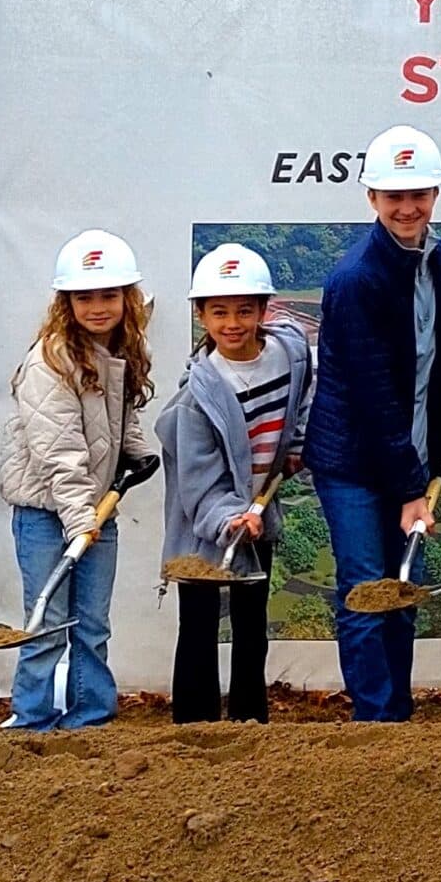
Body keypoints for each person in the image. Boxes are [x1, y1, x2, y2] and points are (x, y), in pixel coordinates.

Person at [308, 125, 441, 723]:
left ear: (435, 194)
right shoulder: (355, 279)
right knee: (368, 591)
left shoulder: (439, 258)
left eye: (418, 194)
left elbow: (433, 357)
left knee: (404, 591)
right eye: (393, 196)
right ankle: (376, 723)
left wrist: (435, 443)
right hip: (353, 461)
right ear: (371, 198)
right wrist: (407, 490)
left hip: (408, 453)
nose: (407, 208)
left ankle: (397, 709)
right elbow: (373, 396)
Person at [0, 231, 157, 729]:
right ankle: (33, 717)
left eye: (109, 295)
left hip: (92, 510)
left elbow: (120, 412)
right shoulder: (51, 360)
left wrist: (137, 450)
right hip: (49, 513)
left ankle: (90, 717)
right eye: (84, 297)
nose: (98, 307)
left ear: (126, 298)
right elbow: (57, 453)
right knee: (45, 624)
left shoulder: (121, 348)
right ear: (66, 302)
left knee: (91, 625)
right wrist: (80, 522)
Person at [157, 244, 308, 724]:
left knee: (251, 627)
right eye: (219, 312)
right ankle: (194, 728)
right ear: (201, 315)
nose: (233, 323)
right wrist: (229, 518)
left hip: (258, 515)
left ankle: (249, 723)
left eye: (245, 310)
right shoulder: (196, 397)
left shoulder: (290, 354)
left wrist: (298, 444)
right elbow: (198, 482)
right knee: (198, 627)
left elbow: (305, 397)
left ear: (265, 310)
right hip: (203, 524)